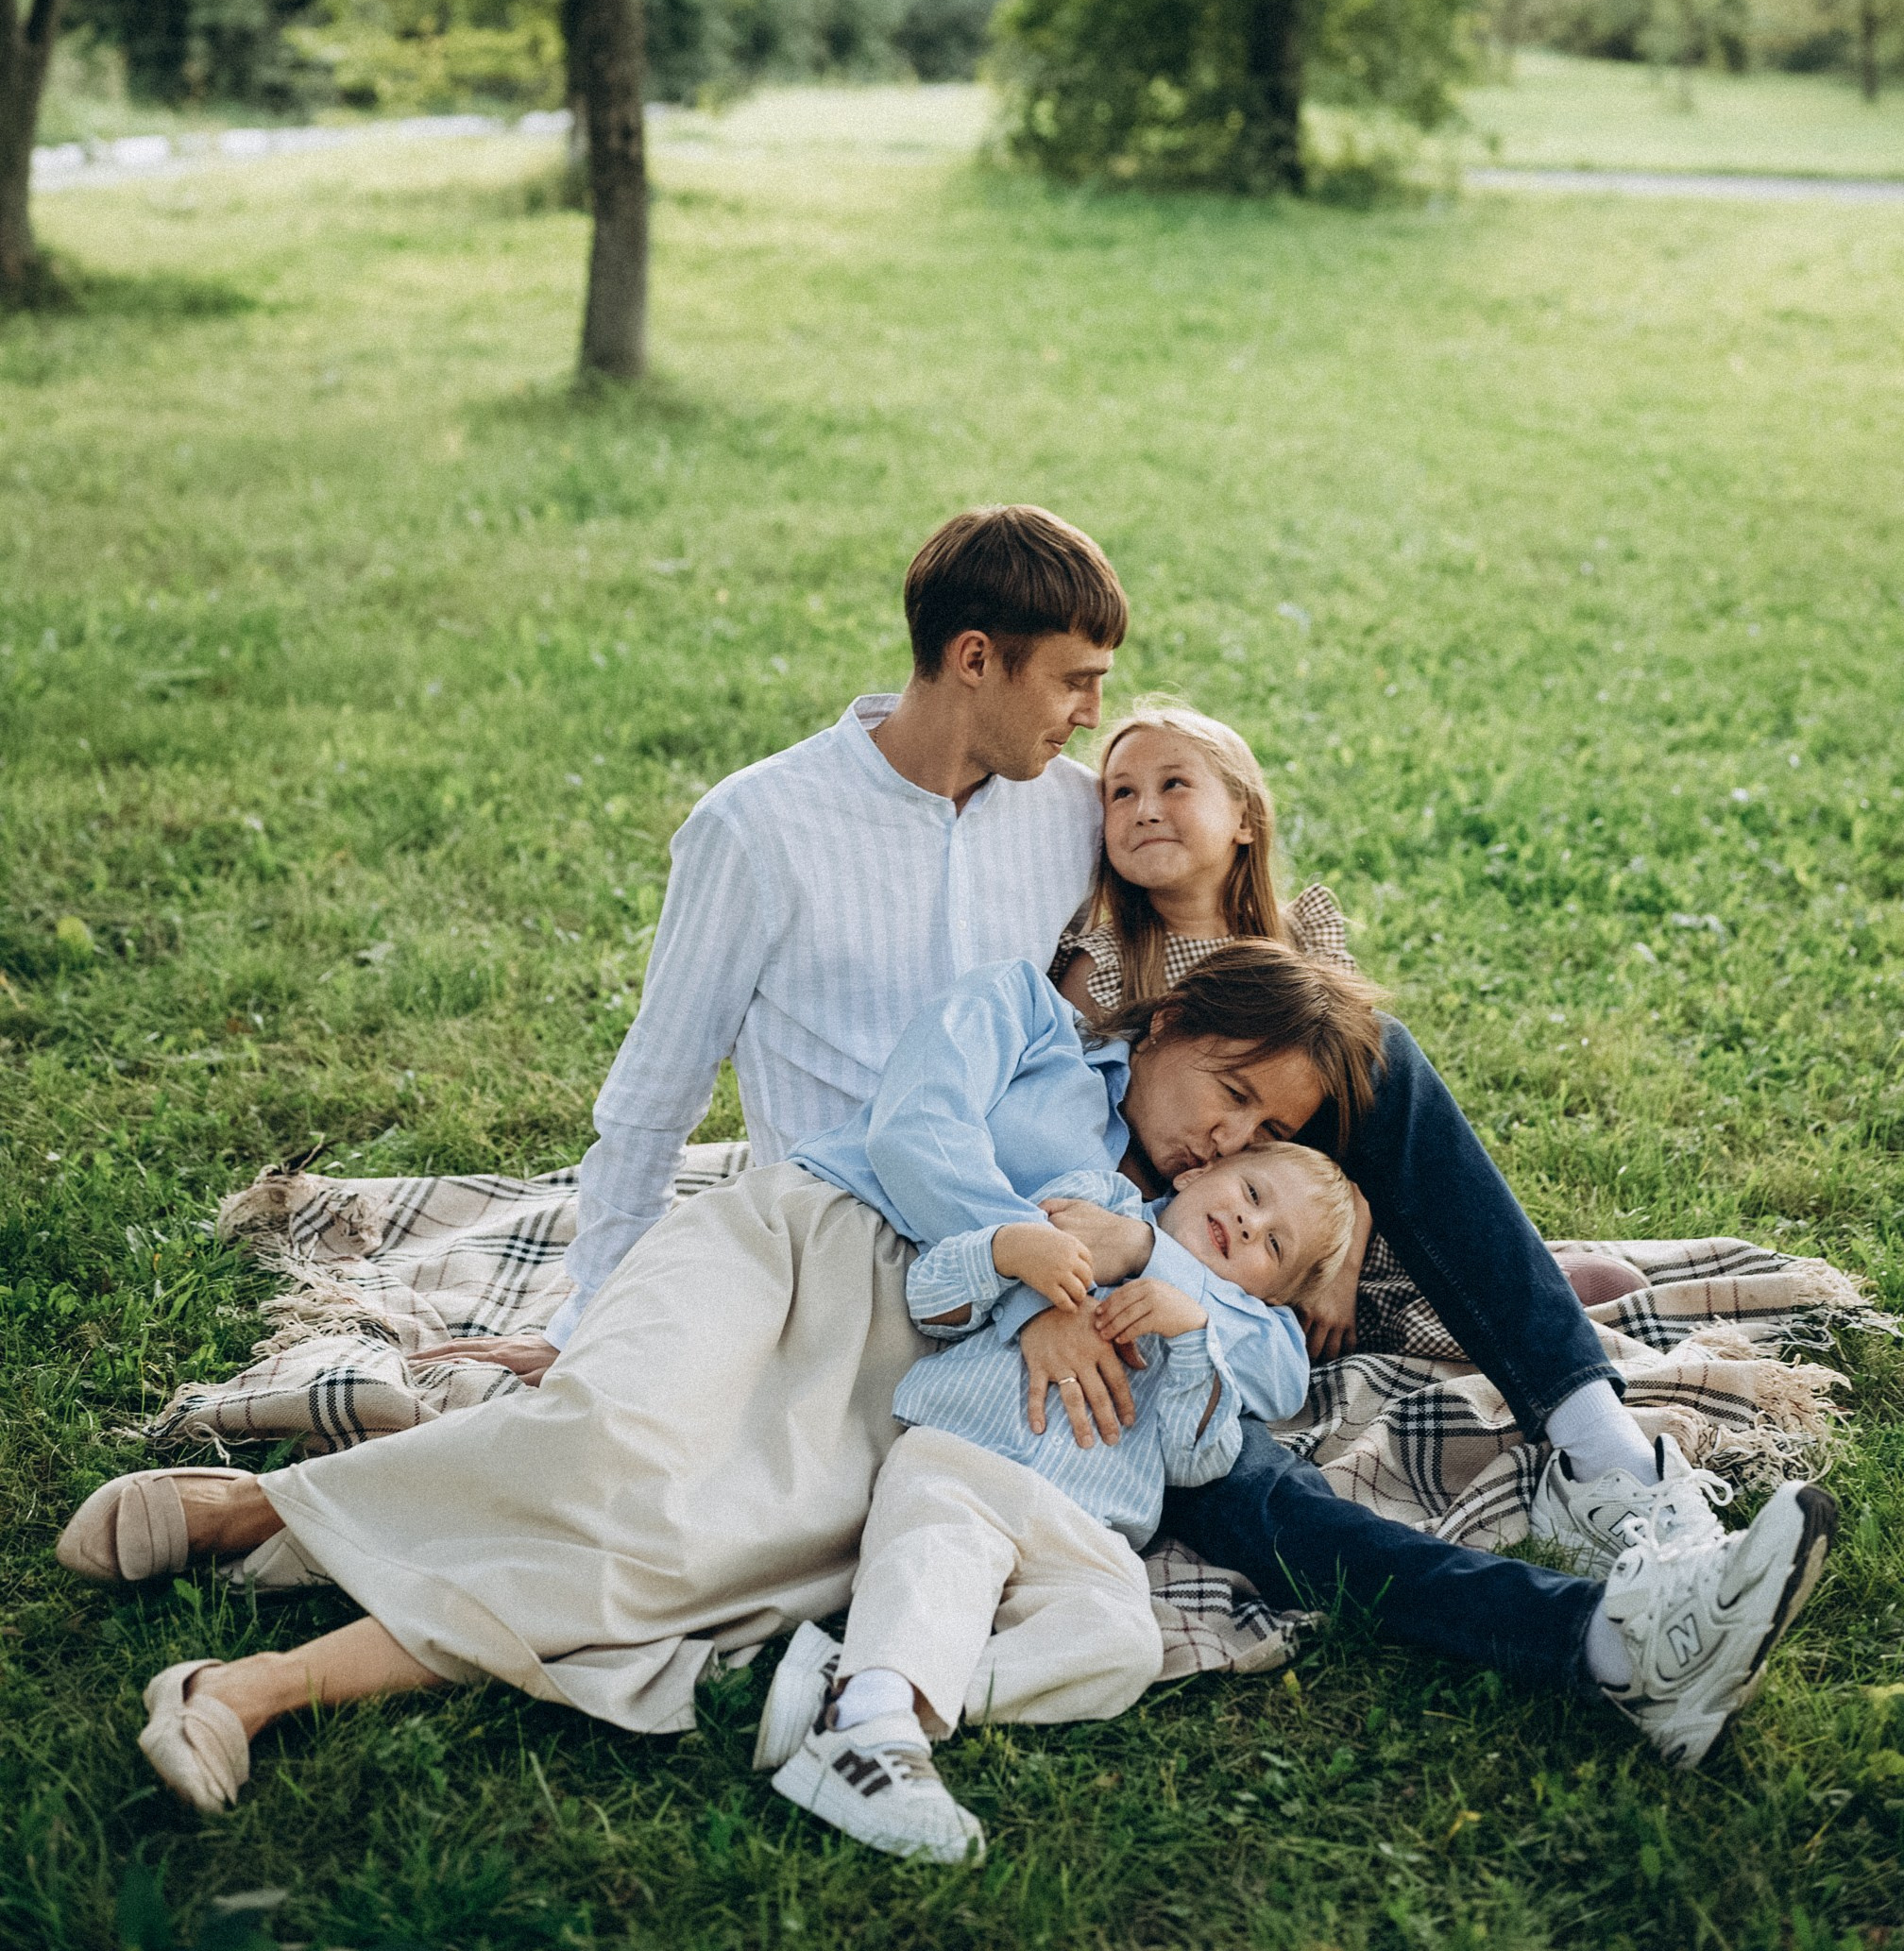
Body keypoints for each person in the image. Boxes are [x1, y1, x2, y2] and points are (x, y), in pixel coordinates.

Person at [65, 944, 1835, 1810]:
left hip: (917, 1374)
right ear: (1160, 1022)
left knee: (679, 1563)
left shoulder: (1174, 1230)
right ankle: (257, 1506)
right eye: (1224, 1092)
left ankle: (257, 1672)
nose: (1228, 1132)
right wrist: (1030, 1253)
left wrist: (1125, 1267)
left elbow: (1237, 1342)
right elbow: (911, 1134)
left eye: (1265, 1132)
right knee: (609, 1442)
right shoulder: (1018, 1017)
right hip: (805, 1243)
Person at [434, 502, 1126, 1385]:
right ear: (977, 658)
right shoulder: (758, 828)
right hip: (830, 1252)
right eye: (1076, 681)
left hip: (1032, 1254)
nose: (1095, 713)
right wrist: (592, 1319)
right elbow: (657, 1093)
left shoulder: (1075, 812)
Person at [1059, 703, 1725, 1566]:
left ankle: (1597, 1438)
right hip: (1188, 1225)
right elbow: (1074, 1108)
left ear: (1246, 818)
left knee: (1378, 1060)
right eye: (1120, 792)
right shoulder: (1112, 957)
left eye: (1174, 785)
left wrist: (1341, 1253)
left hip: (1305, 1215)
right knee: (1544, 1283)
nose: (1144, 808)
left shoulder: (1294, 943)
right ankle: (1512, 1310)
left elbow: (1340, 1139)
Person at [756, 1140, 1354, 1863]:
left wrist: (1193, 1336)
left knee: (1124, 1645)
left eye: (1273, 1244)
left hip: (1087, 1526)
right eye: (1252, 1194)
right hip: (965, 1462)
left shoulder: (1224, 1330)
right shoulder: (1091, 1202)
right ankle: (865, 1731)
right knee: (939, 1559)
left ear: (1268, 1296)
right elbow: (934, 1302)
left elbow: (1197, 1461)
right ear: (1197, 1173)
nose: (1248, 1225)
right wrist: (1007, 1253)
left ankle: (870, 1691)